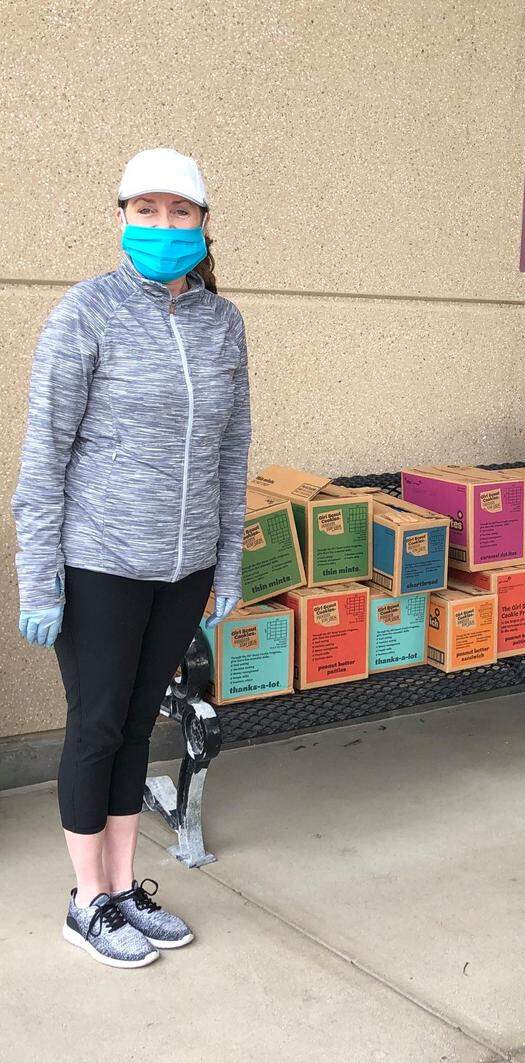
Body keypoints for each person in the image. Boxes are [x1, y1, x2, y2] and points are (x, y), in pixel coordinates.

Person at [11, 148, 251, 966]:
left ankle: (121, 888)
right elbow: (44, 454)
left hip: (182, 566)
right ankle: (87, 901)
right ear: (121, 217)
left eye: (178, 211)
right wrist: (38, 574)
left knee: (137, 726)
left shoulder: (224, 323)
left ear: (203, 223)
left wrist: (227, 561)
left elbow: (231, 448)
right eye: (145, 209)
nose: (162, 225)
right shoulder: (87, 313)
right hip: (100, 561)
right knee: (97, 725)